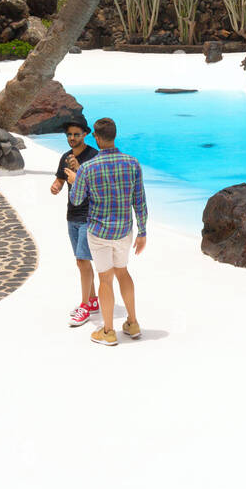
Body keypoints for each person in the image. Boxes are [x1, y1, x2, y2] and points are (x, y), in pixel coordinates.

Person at [68, 117, 147, 346]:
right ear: (114, 135)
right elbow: (139, 201)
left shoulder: (88, 168)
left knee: (105, 279)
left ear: (97, 137)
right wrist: (142, 232)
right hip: (124, 231)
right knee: (123, 272)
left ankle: (109, 331)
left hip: (99, 232)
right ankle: (132, 323)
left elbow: (76, 200)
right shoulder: (132, 163)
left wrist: (75, 179)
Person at [50, 119, 100, 326]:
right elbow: (60, 180)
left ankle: (85, 305)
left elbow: (98, 188)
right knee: (82, 261)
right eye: (69, 134)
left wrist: (79, 171)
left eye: (76, 134)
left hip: (89, 216)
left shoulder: (94, 156)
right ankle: (93, 300)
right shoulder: (65, 157)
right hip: (72, 216)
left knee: (82, 260)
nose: (72, 138)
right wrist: (55, 186)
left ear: (85, 134)